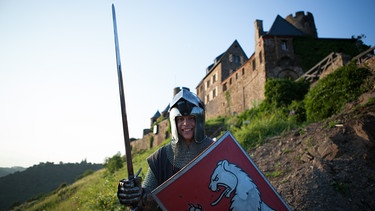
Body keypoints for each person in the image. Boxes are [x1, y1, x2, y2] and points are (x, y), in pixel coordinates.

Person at [117, 87, 214, 210]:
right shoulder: (161, 157)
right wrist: (137, 195)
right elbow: (149, 199)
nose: (185, 123)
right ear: (174, 122)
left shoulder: (214, 151)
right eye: (180, 119)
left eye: (191, 118)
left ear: (199, 119)